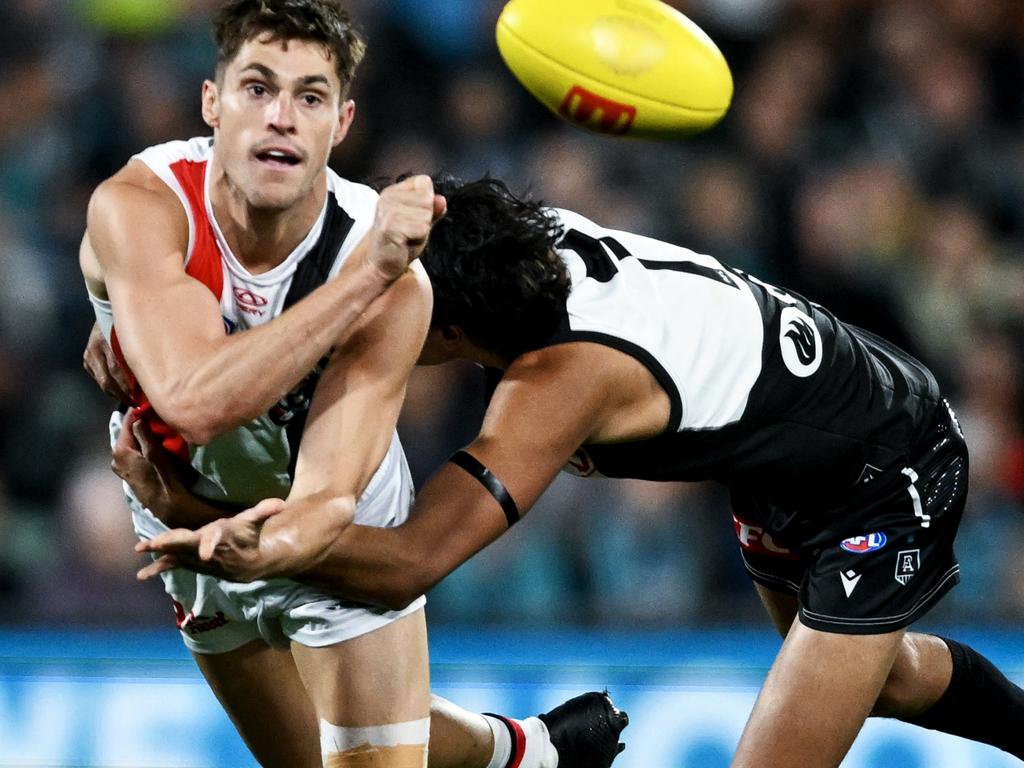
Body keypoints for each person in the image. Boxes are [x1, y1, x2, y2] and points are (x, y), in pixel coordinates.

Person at [130, 174, 1024, 768]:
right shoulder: (499, 240)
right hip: (793, 456)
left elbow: (408, 564)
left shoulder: (562, 381)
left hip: (887, 468)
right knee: (888, 675)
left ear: (448, 331)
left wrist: (231, 535)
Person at [78, 0, 626, 766]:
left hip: (320, 514)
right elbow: (196, 402)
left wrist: (241, 540)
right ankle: (522, 754)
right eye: (257, 88)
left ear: (341, 123)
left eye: (309, 97)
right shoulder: (140, 206)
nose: (281, 118)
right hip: (180, 512)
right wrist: (367, 275)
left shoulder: (396, 277)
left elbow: (329, 496)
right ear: (212, 103)